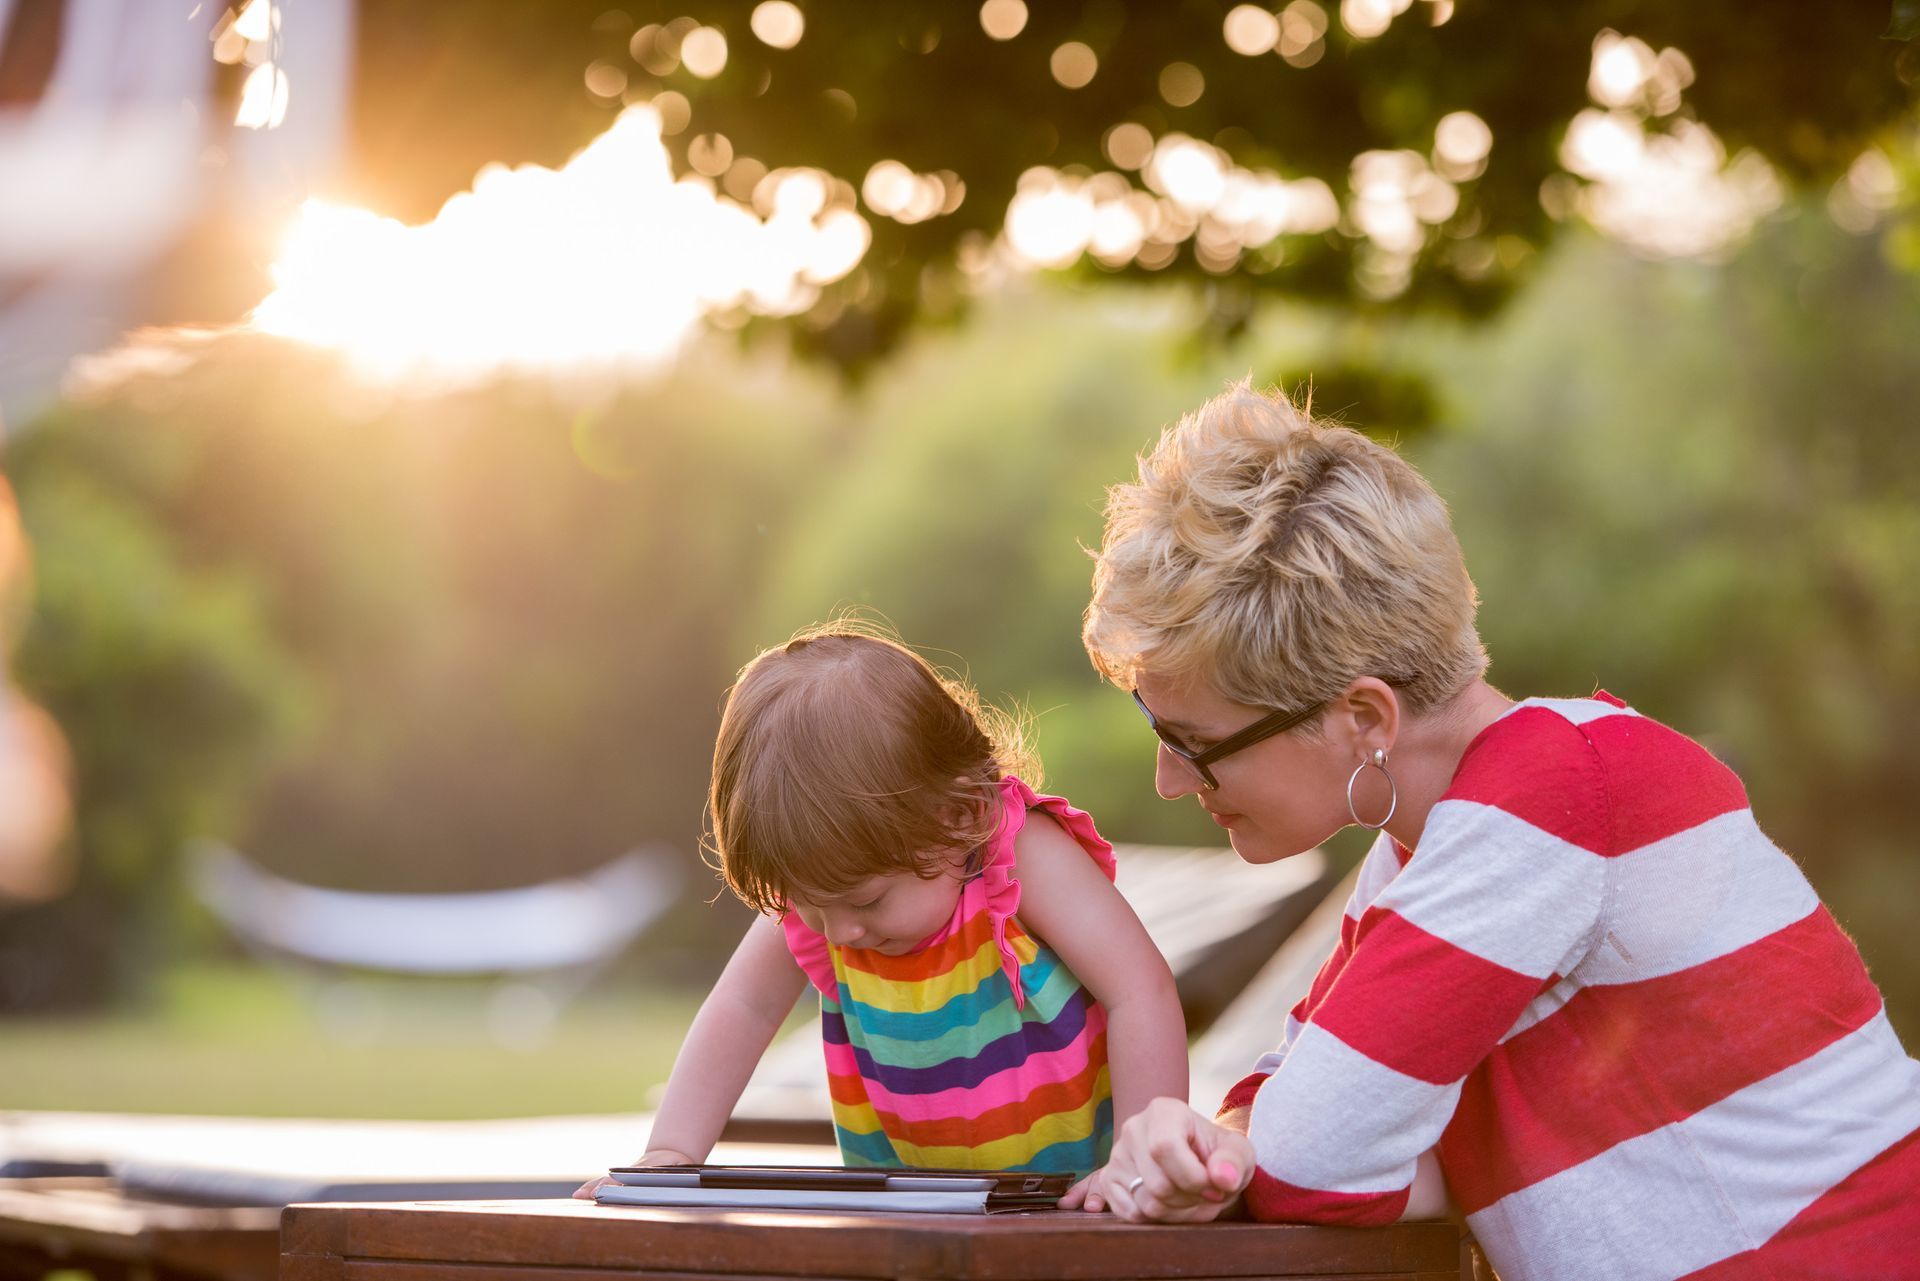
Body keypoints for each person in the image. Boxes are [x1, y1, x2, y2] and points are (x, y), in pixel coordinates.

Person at [1063, 382, 1920, 1280]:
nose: (1168, 780)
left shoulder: (1554, 799)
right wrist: (1214, 1148)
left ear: (1364, 718)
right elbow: (1277, 1106)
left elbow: (1311, 1158)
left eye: (1194, 744)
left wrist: (1258, 1151)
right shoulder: (1437, 844)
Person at [577, 623, 1186, 1192]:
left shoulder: (1023, 859)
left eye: (866, 900)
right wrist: (672, 1154)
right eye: (811, 909)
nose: (839, 930)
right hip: (909, 1210)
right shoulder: (827, 891)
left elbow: (1140, 991)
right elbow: (742, 1007)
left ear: (961, 816)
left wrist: (1138, 1164)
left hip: (1076, 1207)